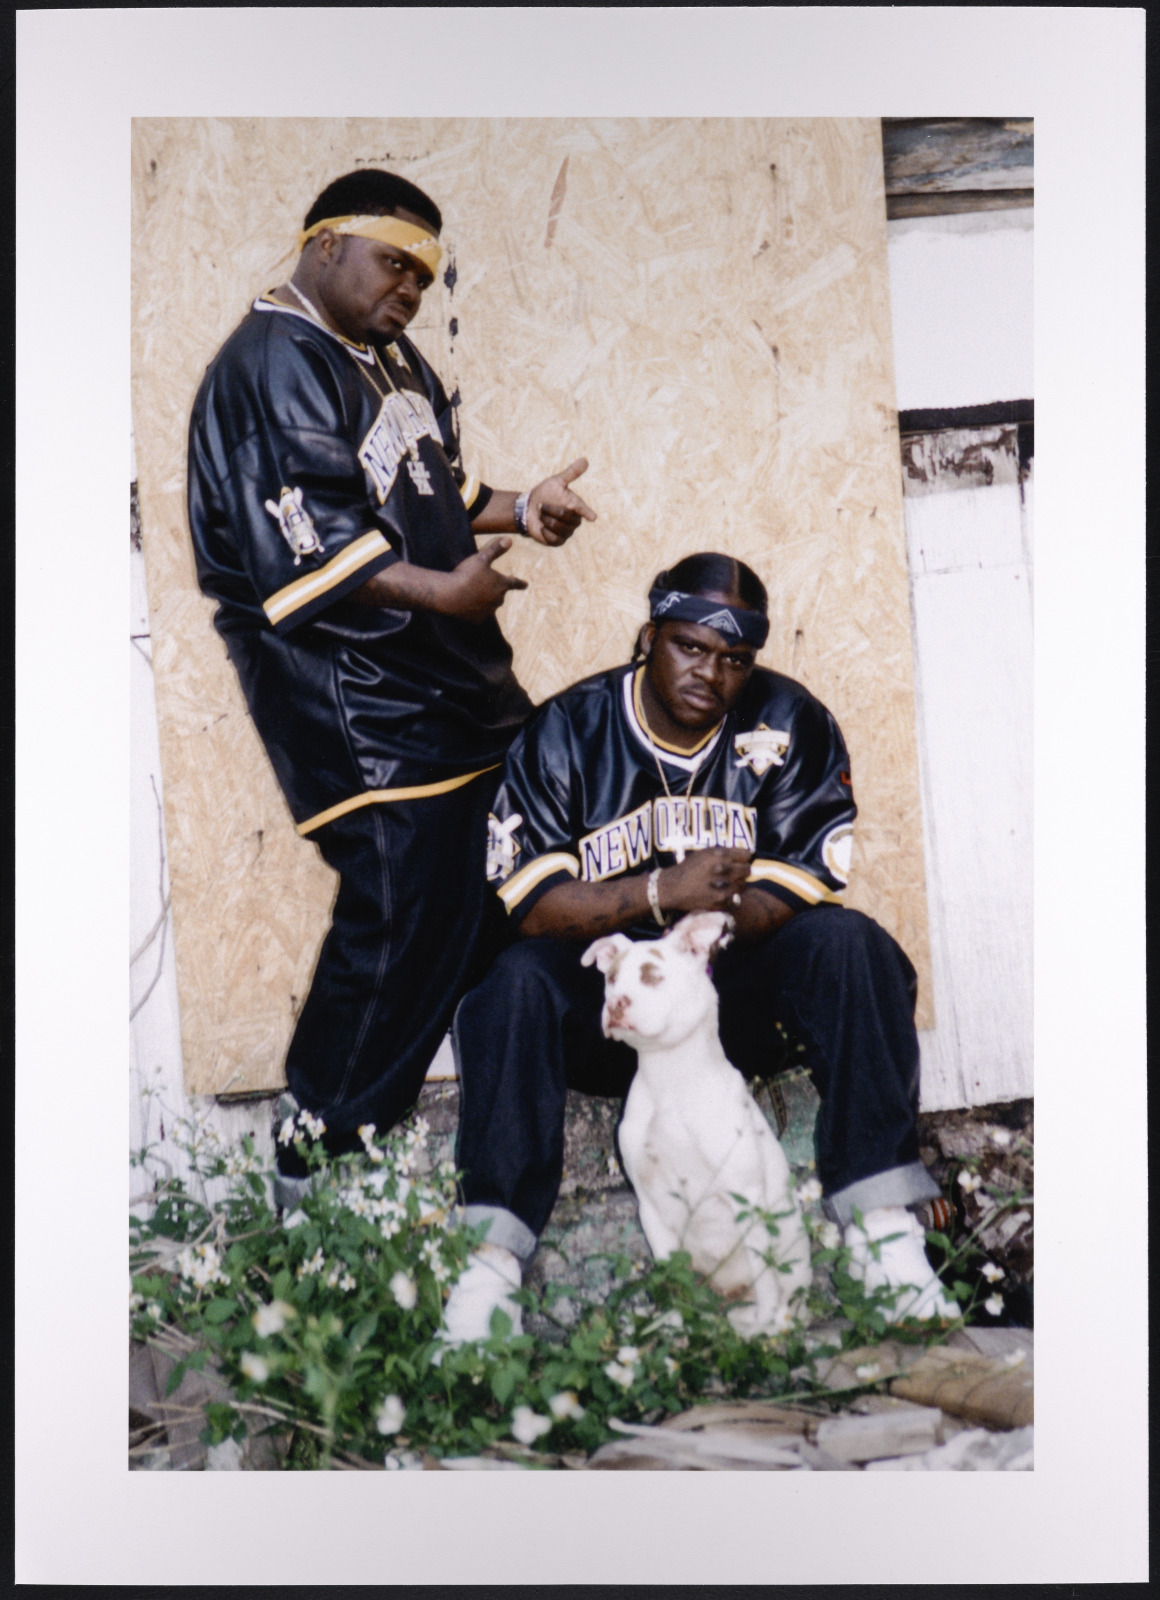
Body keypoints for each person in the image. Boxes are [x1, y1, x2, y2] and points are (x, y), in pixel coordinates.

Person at [186, 169, 596, 1204]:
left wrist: (518, 507)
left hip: (451, 688)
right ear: (325, 245)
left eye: (424, 274)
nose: (409, 288)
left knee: (503, 893)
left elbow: (431, 486)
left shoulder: (388, 353)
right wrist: (446, 594)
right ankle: (316, 1172)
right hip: (355, 700)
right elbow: (305, 559)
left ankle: (482, 1165)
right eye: (392, 264)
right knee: (401, 913)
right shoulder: (269, 364)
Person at [443, 552, 956, 1339]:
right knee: (510, 985)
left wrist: (697, 934)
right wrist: (659, 895)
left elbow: (800, 883)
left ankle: (882, 1235)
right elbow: (531, 904)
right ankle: (489, 1272)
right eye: (691, 647)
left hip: (724, 1007)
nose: (711, 674)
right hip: (607, 1011)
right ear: (648, 637)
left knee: (853, 946)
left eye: (735, 660)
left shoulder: (789, 724)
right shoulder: (568, 730)